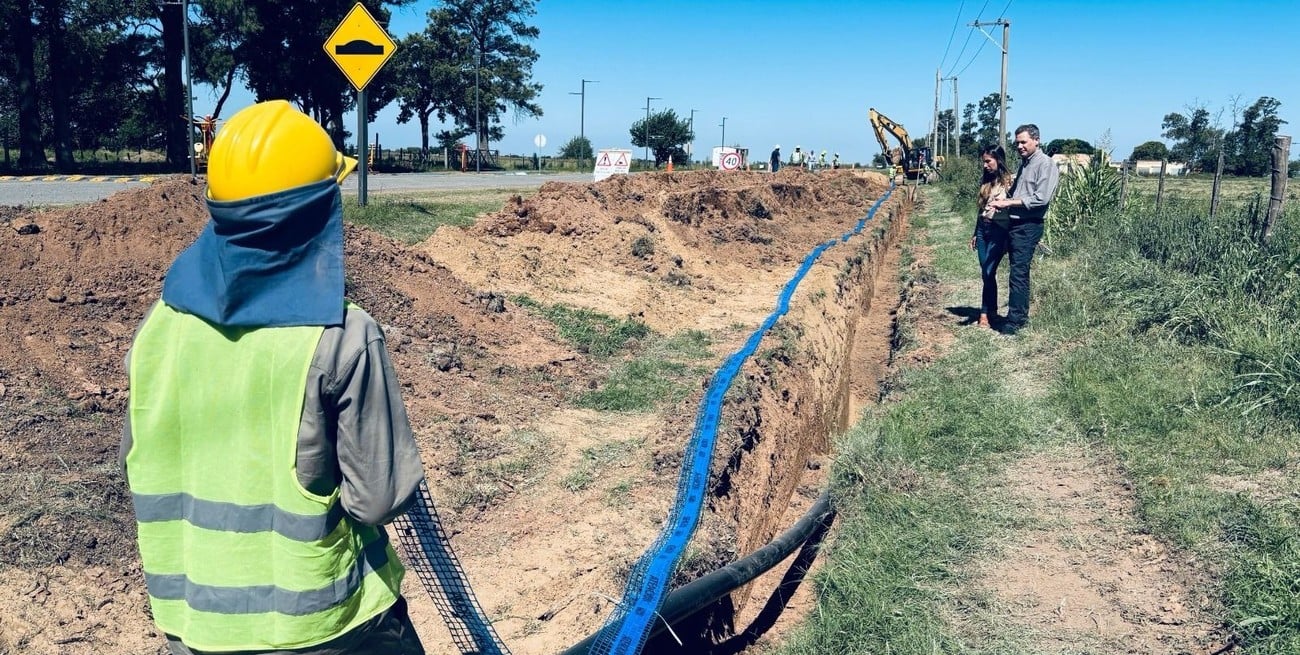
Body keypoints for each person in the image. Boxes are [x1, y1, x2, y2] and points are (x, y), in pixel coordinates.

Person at [121, 100, 428, 655]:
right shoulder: (346, 337)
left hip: (191, 623)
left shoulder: (158, 327)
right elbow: (378, 499)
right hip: (327, 627)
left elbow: (140, 458)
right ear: (318, 211)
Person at [987, 123, 1061, 333]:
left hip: (1028, 225)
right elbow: (1018, 191)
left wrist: (1008, 203)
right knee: (1011, 271)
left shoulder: (1045, 164)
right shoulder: (1025, 163)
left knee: (1019, 272)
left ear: (1036, 140)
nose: (1019, 146)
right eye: (1017, 142)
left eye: (1023, 142)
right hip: (1014, 224)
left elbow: (1041, 199)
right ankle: (1007, 314)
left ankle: (1016, 321)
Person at [969, 144, 1014, 328]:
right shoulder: (986, 182)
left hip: (998, 231)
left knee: (988, 271)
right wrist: (974, 233)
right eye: (984, 162)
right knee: (986, 274)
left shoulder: (1010, 182)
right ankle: (991, 310)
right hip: (982, 231)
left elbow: (1015, 209)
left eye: (988, 161)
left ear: (998, 160)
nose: (985, 165)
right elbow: (981, 210)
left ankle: (984, 313)